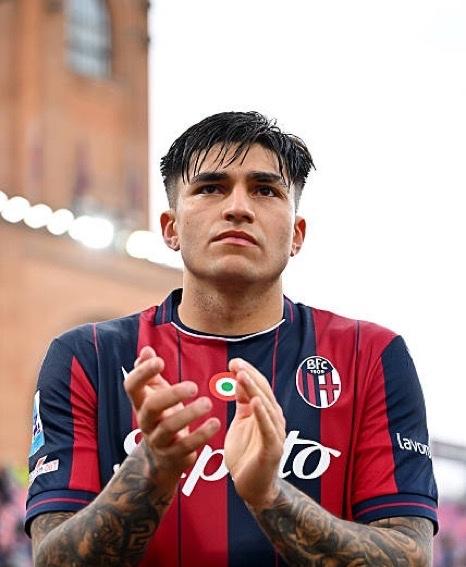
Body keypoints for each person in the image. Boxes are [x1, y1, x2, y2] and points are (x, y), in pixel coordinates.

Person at [26, 111, 438, 566]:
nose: (238, 207)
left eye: (265, 190)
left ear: (297, 235)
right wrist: (153, 467)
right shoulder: (86, 357)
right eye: (210, 188)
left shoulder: (371, 355)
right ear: (171, 228)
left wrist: (268, 495)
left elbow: (410, 556)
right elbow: (51, 558)